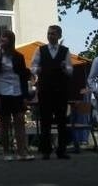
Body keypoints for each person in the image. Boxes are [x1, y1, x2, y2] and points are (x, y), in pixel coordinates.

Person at [0, 30, 33, 161]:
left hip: (17, 91)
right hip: (2, 92)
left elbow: (23, 77)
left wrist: (25, 96)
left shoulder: (19, 56)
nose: (1, 41)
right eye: (0, 39)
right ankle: (6, 152)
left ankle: (21, 152)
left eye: (4, 39)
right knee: (4, 123)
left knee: (19, 120)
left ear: (11, 41)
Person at [31, 25, 74, 160]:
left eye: (53, 34)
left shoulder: (65, 51)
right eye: (49, 34)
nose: (50, 36)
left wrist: (64, 67)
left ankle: (62, 150)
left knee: (62, 121)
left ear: (59, 36)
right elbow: (33, 66)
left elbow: (70, 70)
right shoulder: (40, 50)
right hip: (45, 90)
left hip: (61, 90)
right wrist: (38, 70)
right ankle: (46, 150)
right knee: (45, 121)